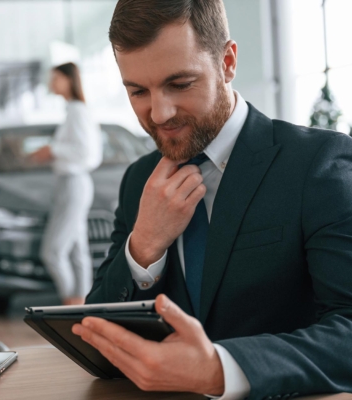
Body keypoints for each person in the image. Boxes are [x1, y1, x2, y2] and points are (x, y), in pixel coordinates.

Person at [71, 0, 352, 399]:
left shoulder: (317, 164)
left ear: (228, 62)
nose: (159, 113)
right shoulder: (139, 181)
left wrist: (222, 368)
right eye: (138, 91)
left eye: (180, 84)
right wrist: (145, 244)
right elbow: (97, 334)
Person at [30, 63, 103, 306]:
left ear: (69, 80)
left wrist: (52, 149)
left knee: (52, 251)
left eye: (56, 78)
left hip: (74, 183)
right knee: (76, 251)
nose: (52, 84)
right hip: (68, 184)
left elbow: (88, 153)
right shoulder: (73, 110)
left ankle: (71, 302)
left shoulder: (78, 111)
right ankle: (81, 302)